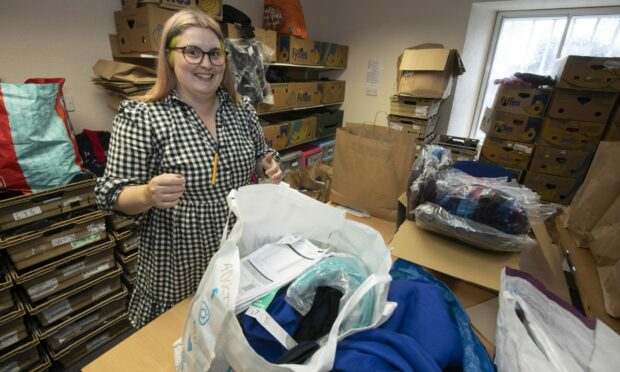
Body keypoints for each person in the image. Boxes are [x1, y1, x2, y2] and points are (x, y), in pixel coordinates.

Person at [96, 8, 282, 329]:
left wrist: (267, 169)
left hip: (233, 261)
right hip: (177, 273)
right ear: (170, 57)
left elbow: (261, 157)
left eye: (214, 54)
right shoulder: (142, 117)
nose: (206, 64)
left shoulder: (242, 111)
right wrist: (147, 193)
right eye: (192, 52)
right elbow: (111, 194)